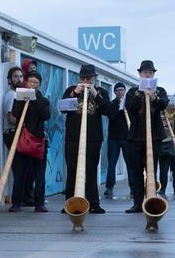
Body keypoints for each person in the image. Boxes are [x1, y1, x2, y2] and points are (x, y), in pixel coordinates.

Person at [61, 64, 110, 214]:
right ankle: (70, 202)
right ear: (79, 78)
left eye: (89, 78)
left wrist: (95, 94)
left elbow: (108, 110)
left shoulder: (101, 91)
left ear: (95, 79)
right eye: (83, 77)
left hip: (93, 139)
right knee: (72, 169)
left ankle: (94, 203)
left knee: (91, 170)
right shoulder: (70, 90)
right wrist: (75, 93)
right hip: (73, 138)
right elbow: (63, 108)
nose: (86, 80)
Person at [124, 60, 169, 213]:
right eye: (145, 72)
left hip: (155, 136)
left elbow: (164, 104)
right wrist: (143, 94)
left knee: (152, 169)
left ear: (154, 74)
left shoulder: (160, 90)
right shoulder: (132, 92)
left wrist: (154, 96)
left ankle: (152, 201)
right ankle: (137, 203)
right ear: (140, 74)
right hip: (136, 137)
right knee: (136, 171)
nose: (147, 74)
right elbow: (130, 106)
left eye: (150, 72)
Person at [8, 71, 50, 212]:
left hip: (37, 141)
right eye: (31, 82)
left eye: (36, 83)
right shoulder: (20, 97)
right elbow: (15, 114)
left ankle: (39, 203)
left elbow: (45, 115)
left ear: (39, 85)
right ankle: (16, 203)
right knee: (19, 173)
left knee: (39, 174)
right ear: (27, 82)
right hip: (22, 141)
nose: (33, 84)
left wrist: (35, 99)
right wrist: (23, 101)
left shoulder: (44, 100)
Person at [105, 81, 131, 199]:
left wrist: (125, 106)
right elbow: (112, 116)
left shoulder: (129, 103)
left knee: (130, 164)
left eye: (122, 90)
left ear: (124, 91)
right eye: (117, 90)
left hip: (127, 138)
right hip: (113, 138)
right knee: (112, 163)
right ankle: (109, 187)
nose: (120, 92)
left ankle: (133, 188)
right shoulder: (112, 104)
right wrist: (120, 107)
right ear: (114, 92)